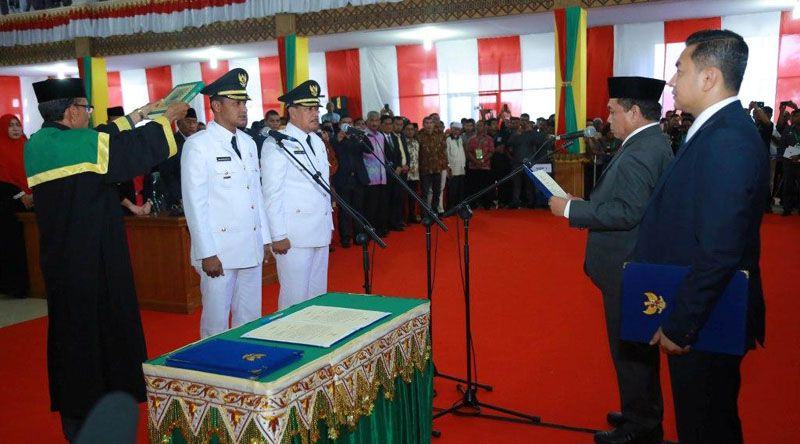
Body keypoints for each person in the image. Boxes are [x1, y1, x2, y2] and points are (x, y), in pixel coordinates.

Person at [23, 78, 187, 442]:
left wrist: (138, 115)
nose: (89, 115)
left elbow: (102, 135)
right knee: (86, 340)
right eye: (86, 108)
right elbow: (124, 151)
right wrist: (166, 121)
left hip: (70, 259)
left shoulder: (44, 142)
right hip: (87, 261)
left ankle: (97, 412)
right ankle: (85, 423)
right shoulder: (73, 145)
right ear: (71, 112)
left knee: (87, 337)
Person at [633, 30, 769, 444]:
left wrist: (681, 325)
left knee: (707, 424)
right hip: (702, 305)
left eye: (680, 69)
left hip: (708, 315)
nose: (672, 80)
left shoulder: (727, 139)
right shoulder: (714, 130)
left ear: (709, 77)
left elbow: (721, 249)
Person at [550, 76, 674, 444]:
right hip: (634, 262)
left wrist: (571, 209)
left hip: (628, 265)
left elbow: (627, 212)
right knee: (635, 348)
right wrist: (586, 204)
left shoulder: (641, 151)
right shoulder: (648, 142)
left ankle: (641, 427)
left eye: (612, 110)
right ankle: (641, 412)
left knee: (630, 351)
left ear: (634, 112)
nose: (607, 118)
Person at [181, 68, 271, 338]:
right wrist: (206, 252)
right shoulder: (198, 145)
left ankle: (248, 361)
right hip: (219, 251)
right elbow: (194, 204)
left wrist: (264, 238)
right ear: (216, 106)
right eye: (236, 103)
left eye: (244, 103)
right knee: (216, 323)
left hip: (250, 245)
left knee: (250, 319)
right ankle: (213, 365)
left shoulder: (248, 143)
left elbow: (256, 194)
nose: (243, 109)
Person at [262, 80, 333, 309]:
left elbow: (323, 188)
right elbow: (272, 194)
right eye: (309, 109)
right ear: (292, 111)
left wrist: (328, 225)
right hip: (294, 237)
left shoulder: (317, 141)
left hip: (320, 230)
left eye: (316, 108)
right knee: (295, 301)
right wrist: (277, 235)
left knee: (318, 298)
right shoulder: (277, 144)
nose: (315, 113)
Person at [0, 114, 31, 298]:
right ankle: (14, 286)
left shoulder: (26, 145)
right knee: (13, 246)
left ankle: (32, 283)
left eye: (17, 124)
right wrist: (20, 194)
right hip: (8, 206)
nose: (15, 128)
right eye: (10, 125)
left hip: (31, 202)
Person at [332, 118, 370, 248]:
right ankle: (346, 238)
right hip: (343, 180)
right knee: (344, 211)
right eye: (345, 122)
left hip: (358, 179)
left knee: (359, 209)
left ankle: (359, 236)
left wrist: (362, 135)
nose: (348, 124)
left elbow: (369, 150)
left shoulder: (357, 138)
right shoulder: (335, 139)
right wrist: (339, 139)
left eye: (350, 122)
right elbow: (333, 153)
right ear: (340, 125)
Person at [156, 107, 197, 209]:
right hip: (178, 199)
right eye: (188, 122)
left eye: (194, 122)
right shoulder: (170, 143)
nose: (192, 125)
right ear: (179, 124)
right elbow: (167, 174)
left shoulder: (199, 142)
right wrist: (180, 198)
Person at [362, 111, 389, 237]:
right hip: (370, 177)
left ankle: (381, 230)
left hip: (382, 176)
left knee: (382, 206)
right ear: (367, 121)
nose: (374, 123)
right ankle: (370, 232)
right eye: (372, 120)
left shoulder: (381, 136)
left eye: (377, 120)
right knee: (370, 207)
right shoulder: (363, 136)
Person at [418, 116, 447, 216]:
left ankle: (435, 213)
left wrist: (444, 165)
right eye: (426, 123)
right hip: (424, 169)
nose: (429, 125)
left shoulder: (439, 135)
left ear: (434, 124)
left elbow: (442, 152)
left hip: (437, 168)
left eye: (430, 123)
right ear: (423, 124)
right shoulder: (419, 136)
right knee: (425, 193)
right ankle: (425, 214)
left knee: (437, 192)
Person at [465, 120, 495, 209]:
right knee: (474, 186)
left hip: (485, 166)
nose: (479, 127)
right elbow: (468, 152)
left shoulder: (489, 139)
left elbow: (491, 152)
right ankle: (474, 204)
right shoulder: (471, 139)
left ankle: (486, 204)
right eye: (477, 125)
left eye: (481, 125)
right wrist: (475, 161)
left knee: (485, 186)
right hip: (473, 166)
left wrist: (482, 161)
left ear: (485, 127)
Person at [445, 121, 466, 211]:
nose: (457, 131)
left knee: (460, 190)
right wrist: (448, 168)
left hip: (461, 168)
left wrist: (464, 165)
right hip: (452, 169)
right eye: (455, 129)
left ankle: (459, 208)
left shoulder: (460, 139)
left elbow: (462, 153)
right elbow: (446, 154)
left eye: (458, 130)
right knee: (452, 190)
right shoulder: (448, 140)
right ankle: (451, 208)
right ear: (451, 129)